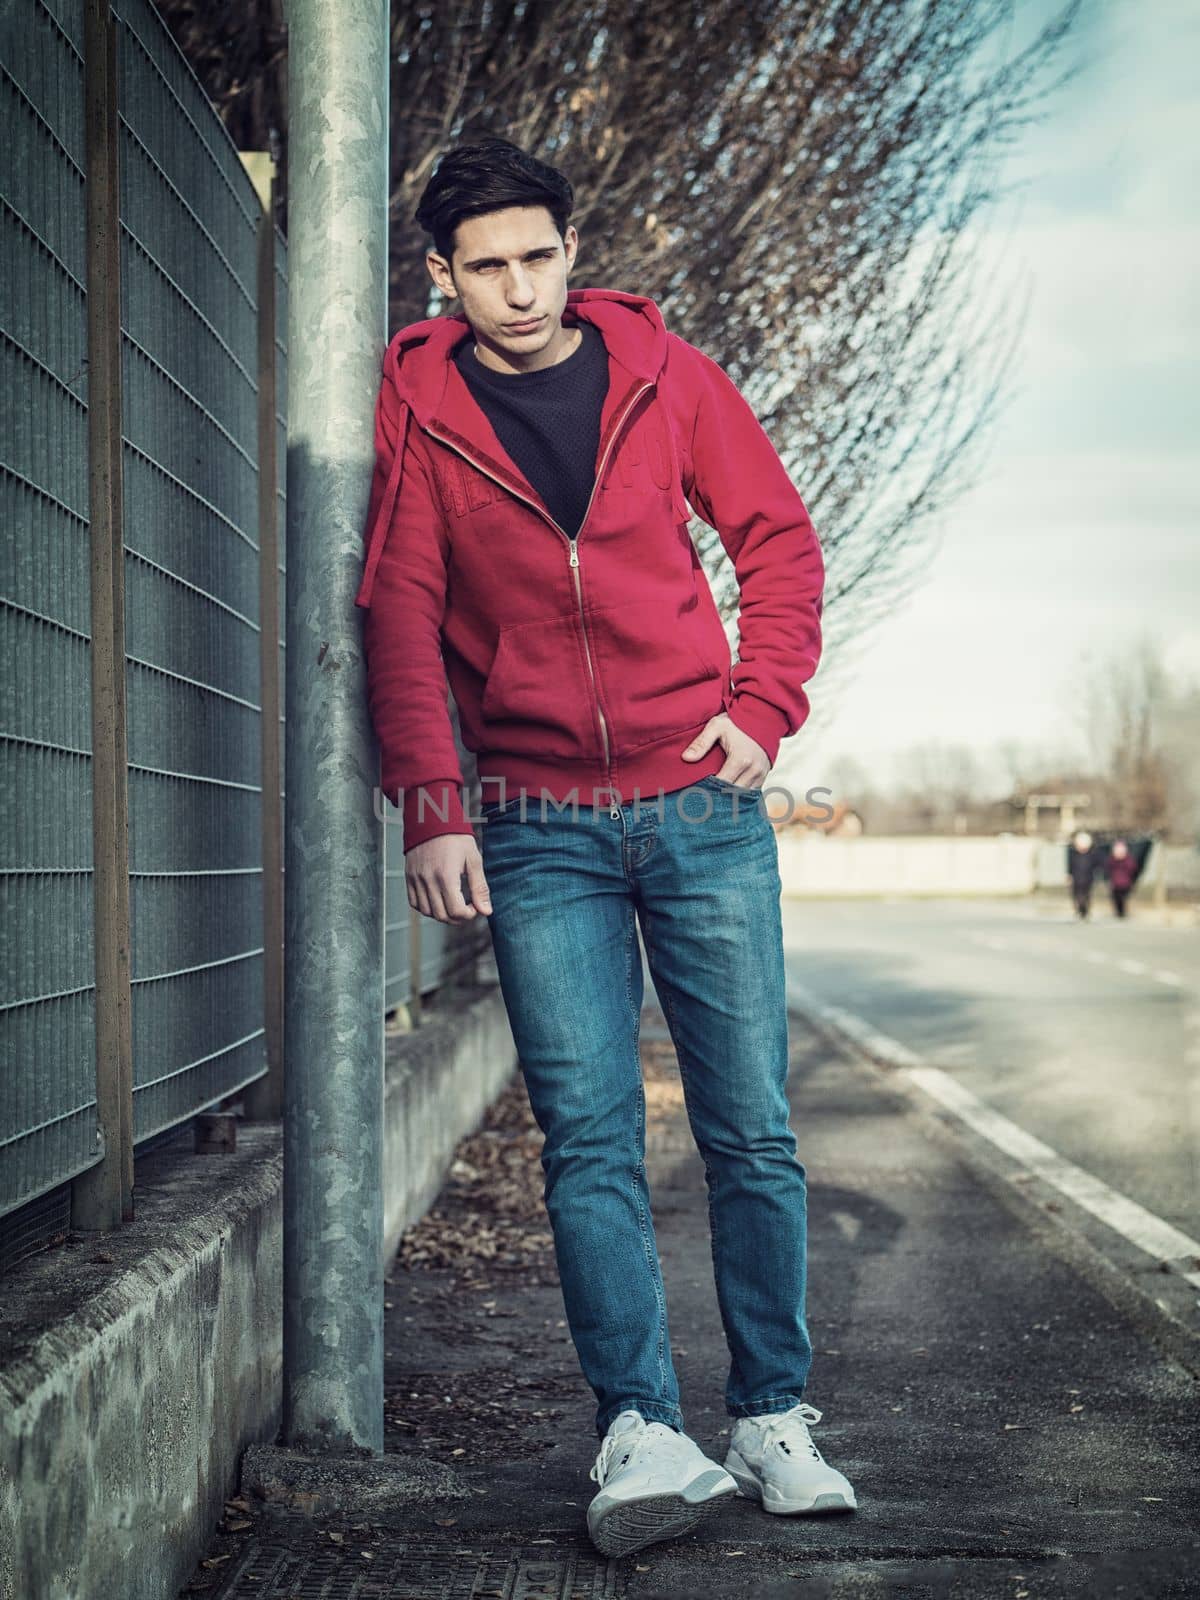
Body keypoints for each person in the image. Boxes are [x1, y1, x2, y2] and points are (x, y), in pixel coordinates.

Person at [355, 137, 855, 1559]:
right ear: (442, 277)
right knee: (589, 1139)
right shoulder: (423, 409)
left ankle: (772, 1415)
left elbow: (778, 542)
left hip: (699, 806)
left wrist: (762, 707)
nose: (519, 290)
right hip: (533, 823)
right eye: (487, 267)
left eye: (540, 257)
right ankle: (638, 1429)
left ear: (572, 255)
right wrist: (433, 804)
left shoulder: (663, 374)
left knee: (749, 1122)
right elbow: (397, 608)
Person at [1066, 830, 1097, 919]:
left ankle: (1085, 911)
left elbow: (1096, 865)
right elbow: (1070, 866)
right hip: (1076, 878)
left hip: (1087, 878)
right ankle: (1079, 910)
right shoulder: (1073, 854)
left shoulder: (1091, 854)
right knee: (1077, 895)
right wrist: (1069, 875)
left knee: (1086, 895)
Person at [1105, 837, 1138, 918]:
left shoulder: (1128, 860)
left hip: (1125, 883)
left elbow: (1133, 870)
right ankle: (1118, 912)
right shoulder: (1112, 860)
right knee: (1116, 898)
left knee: (1123, 898)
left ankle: (1123, 912)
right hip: (1115, 883)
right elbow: (1108, 869)